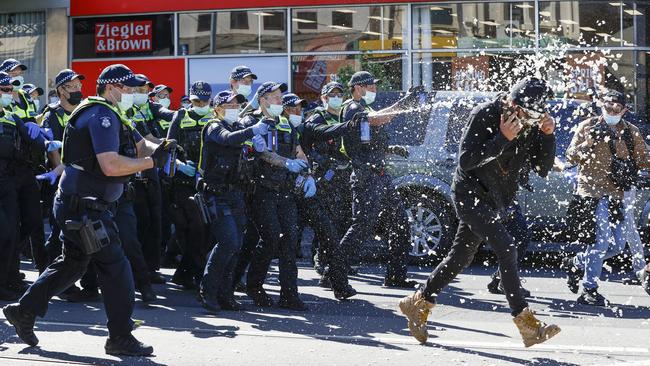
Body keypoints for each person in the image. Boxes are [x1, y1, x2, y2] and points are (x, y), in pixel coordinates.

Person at [2, 64, 176, 356]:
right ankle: (119, 336)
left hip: (86, 205)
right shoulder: (100, 116)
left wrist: (163, 148)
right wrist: (151, 163)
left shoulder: (114, 112)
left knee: (73, 264)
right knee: (116, 267)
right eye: (129, 88)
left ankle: (24, 311)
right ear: (111, 88)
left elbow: (140, 143)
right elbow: (110, 164)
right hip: (83, 208)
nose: (133, 93)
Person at [399, 77, 560, 347]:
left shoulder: (531, 125)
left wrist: (548, 136)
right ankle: (527, 324)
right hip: (468, 194)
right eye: (520, 113)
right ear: (512, 102)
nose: (523, 119)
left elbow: (542, 168)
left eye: (531, 117)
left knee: (460, 256)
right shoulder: (485, 114)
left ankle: (418, 302)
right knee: (507, 248)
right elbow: (467, 160)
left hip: (496, 199)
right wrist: (501, 139)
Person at [563, 89, 650, 306]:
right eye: (607, 105)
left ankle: (576, 262)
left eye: (616, 107)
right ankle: (589, 289)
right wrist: (588, 143)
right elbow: (570, 157)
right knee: (600, 242)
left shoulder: (631, 132)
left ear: (624, 110)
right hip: (591, 192)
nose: (611, 109)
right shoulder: (588, 126)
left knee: (617, 245)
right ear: (601, 105)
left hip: (616, 194)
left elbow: (644, 159)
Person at [336, 71, 414, 288]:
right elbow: (380, 118)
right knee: (361, 227)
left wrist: (390, 149)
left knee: (400, 222)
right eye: (371, 86)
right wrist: (404, 102)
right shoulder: (352, 108)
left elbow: (369, 143)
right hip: (365, 177)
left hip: (379, 175)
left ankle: (395, 277)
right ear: (358, 88)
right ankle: (333, 272)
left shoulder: (365, 108)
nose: (374, 90)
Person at [242, 81, 316, 310]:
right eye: (275, 96)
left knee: (290, 241)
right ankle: (253, 286)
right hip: (262, 190)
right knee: (271, 238)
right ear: (263, 99)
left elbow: (299, 151)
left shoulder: (285, 123)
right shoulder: (252, 123)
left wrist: (307, 172)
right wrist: (288, 164)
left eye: (280, 96)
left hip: (285, 191)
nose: (280, 100)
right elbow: (264, 153)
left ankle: (289, 294)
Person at [198, 90, 268, 312]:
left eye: (236, 105)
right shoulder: (213, 126)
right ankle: (207, 291)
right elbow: (225, 139)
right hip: (215, 194)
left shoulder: (238, 127)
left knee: (236, 245)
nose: (234, 108)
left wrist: (256, 148)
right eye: (228, 105)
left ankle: (225, 294)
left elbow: (245, 152)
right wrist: (252, 130)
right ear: (217, 108)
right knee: (228, 241)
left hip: (236, 193)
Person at [0, 71, 60, 300]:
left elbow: (31, 135)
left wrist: (48, 141)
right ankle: (6, 281)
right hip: (5, 180)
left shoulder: (10, 116)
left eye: (9, 90)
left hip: (10, 179)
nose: (8, 93)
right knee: (6, 232)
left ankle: (10, 277)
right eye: (3, 90)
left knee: (28, 223)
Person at [126, 75, 174, 286]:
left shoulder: (149, 107)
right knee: (139, 223)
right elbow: (145, 138)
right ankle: (135, 270)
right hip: (132, 172)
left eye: (146, 91)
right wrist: (164, 144)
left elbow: (165, 113)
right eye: (140, 91)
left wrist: (180, 114)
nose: (144, 95)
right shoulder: (124, 110)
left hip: (151, 171)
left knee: (156, 221)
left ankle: (151, 268)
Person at [166, 81, 213, 289]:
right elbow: (168, 149)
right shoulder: (180, 116)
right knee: (196, 225)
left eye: (204, 101)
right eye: (196, 100)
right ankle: (199, 273)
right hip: (184, 181)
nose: (200, 104)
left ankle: (185, 272)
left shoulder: (215, 117)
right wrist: (180, 165)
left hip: (208, 180)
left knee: (208, 229)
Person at [303, 82, 353, 275]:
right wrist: (320, 161)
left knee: (342, 219)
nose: (336, 98)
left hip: (344, 173)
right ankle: (320, 259)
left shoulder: (342, 116)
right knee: (326, 220)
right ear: (323, 98)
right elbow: (307, 145)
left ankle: (337, 260)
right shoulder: (318, 117)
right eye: (332, 94)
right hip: (325, 175)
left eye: (339, 94)